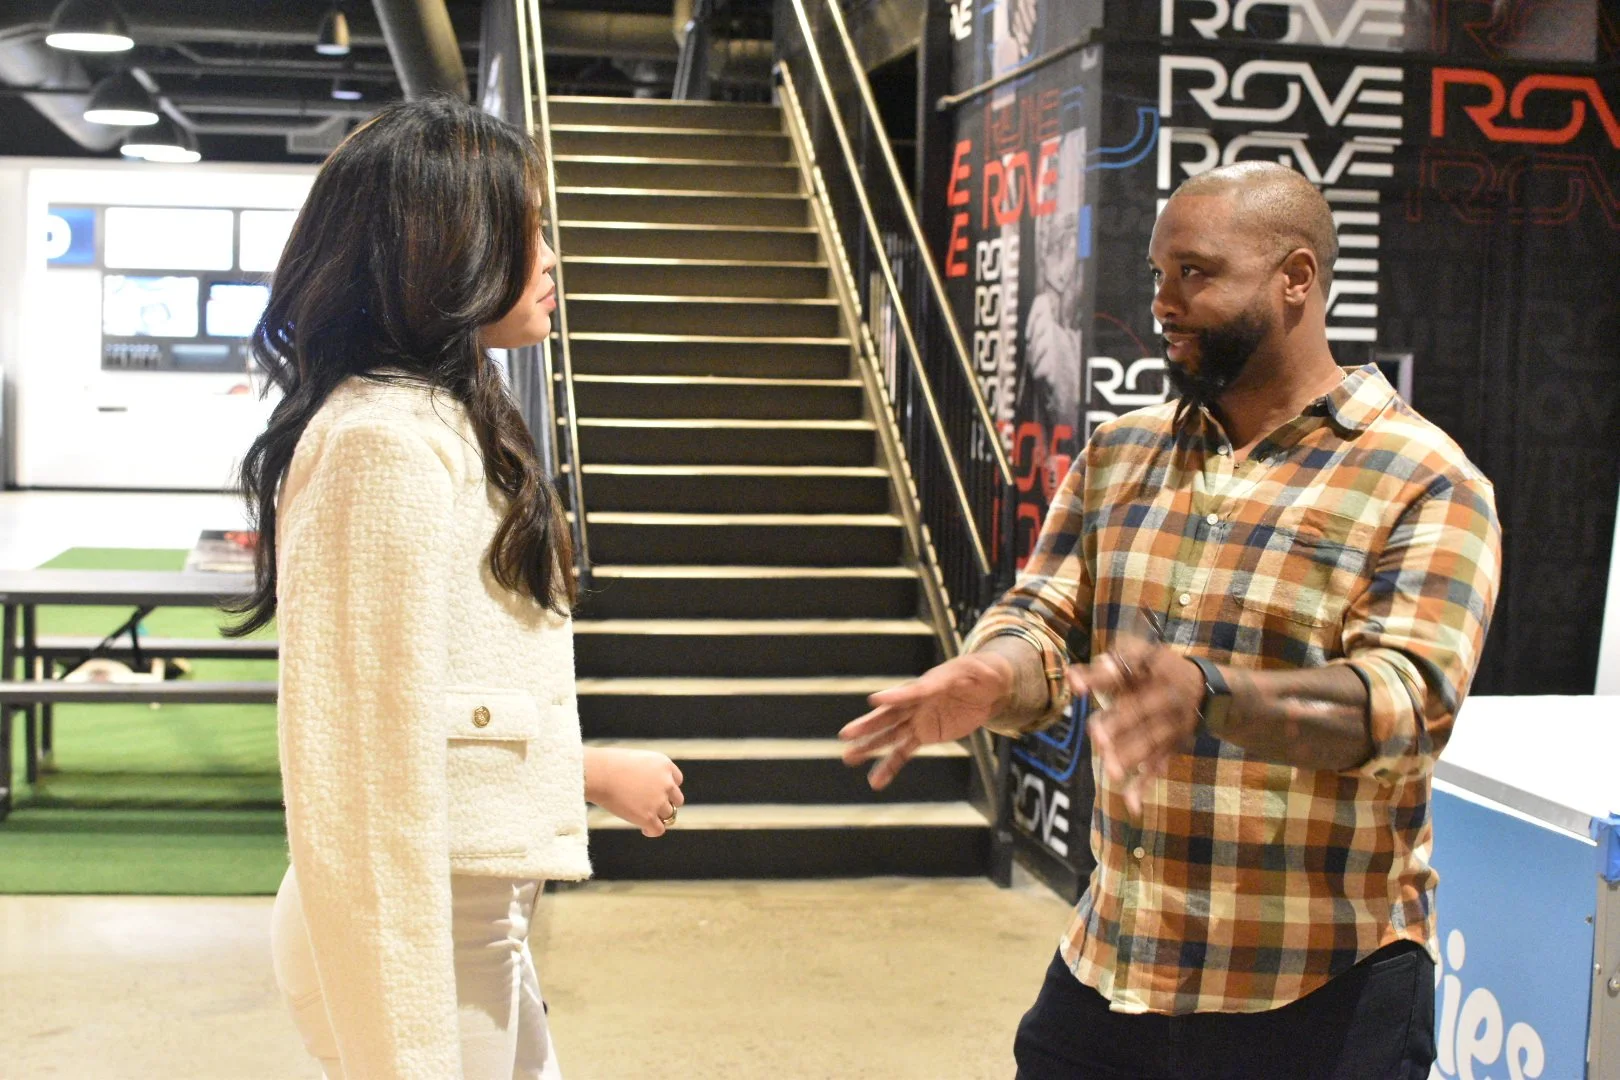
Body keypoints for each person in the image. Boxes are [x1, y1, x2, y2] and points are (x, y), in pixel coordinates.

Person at [841, 161, 1501, 1079]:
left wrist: (1210, 694)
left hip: (1316, 995)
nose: (1163, 303)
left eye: (1195, 273)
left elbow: (1403, 711)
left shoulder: (1425, 479)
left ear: (1296, 279)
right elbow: (1045, 618)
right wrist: (993, 672)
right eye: (1156, 276)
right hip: (1112, 970)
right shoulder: (1122, 454)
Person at [229, 97, 685, 1080]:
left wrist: (582, 770)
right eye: (529, 229)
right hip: (416, 933)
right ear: (450, 247)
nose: (553, 256)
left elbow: (440, 713)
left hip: (474, 925)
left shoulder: (446, 417)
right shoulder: (382, 442)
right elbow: (362, 766)